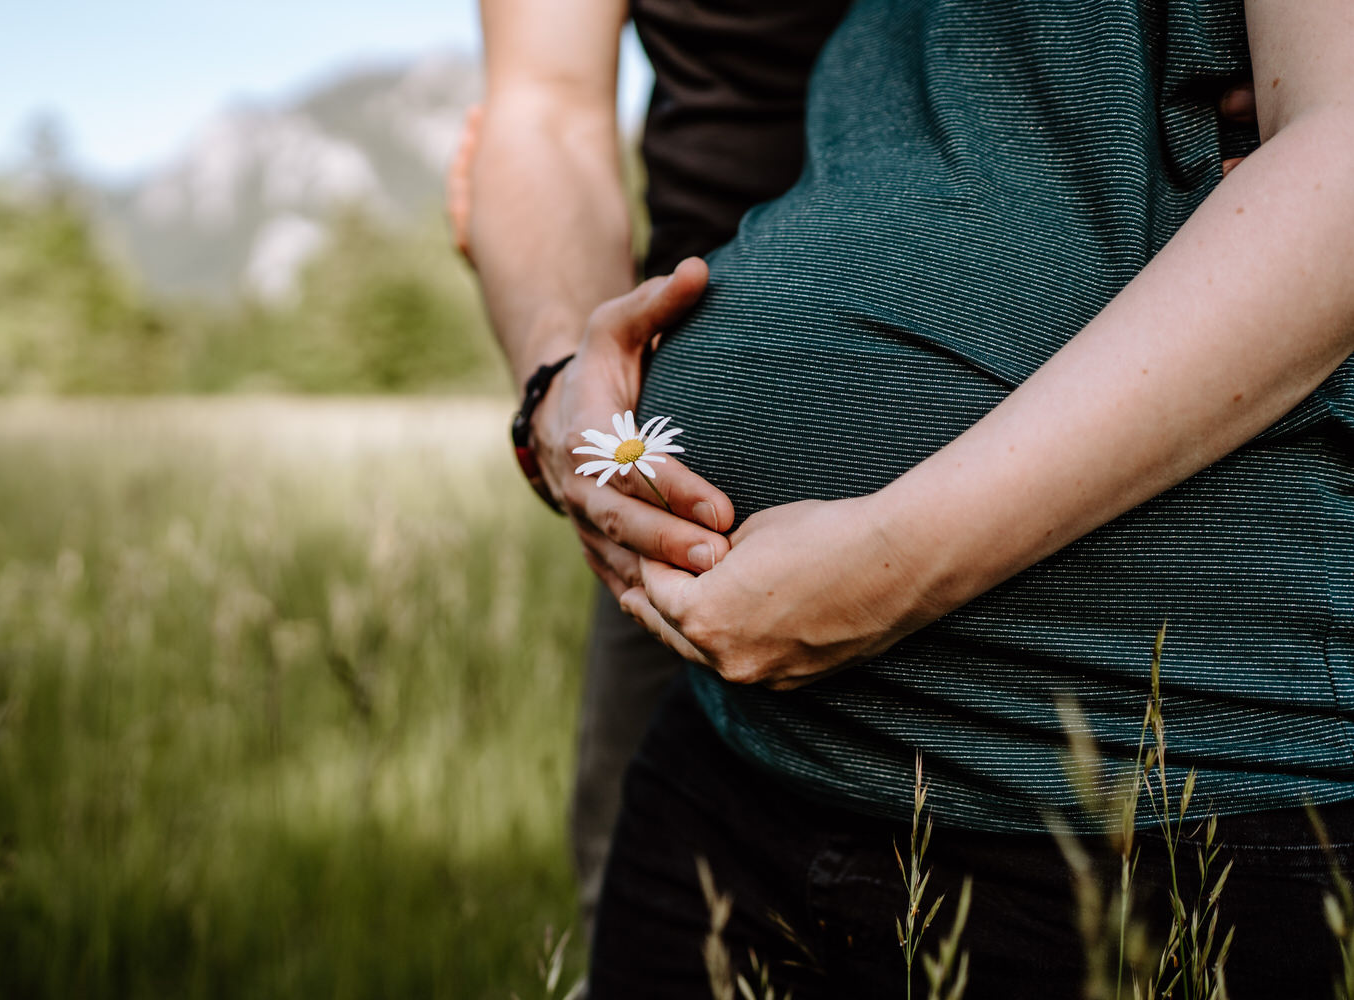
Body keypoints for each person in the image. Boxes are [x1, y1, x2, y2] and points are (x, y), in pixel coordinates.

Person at [566, 0, 1354, 997]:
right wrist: (557, 400)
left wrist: (889, 567)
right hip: (740, 760)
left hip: (1158, 792)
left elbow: (1341, 162)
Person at [452, 0, 850, 937]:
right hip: (676, 508)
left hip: (1140, 512)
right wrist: (558, 393)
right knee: (649, 920)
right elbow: (544, 106)